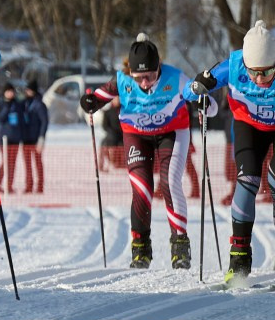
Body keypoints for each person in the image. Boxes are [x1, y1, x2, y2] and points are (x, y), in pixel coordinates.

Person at [188, 21, 275, 288]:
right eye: (254, 73)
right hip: (250, 125)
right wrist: (197, 89)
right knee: (247, 179)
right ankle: (239, 258)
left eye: (268, 71)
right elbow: (189, 91)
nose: (260, 80)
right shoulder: (233, 65)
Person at [79, 34, 193, 270]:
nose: (144, 83)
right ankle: (141, 250)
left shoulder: (175, 77)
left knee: (170, 182)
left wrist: (205, 103)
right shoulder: (122, 80)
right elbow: (99, 97)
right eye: (139, 77)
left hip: (169, 133)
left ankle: (180, 247)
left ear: (158, 68)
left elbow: (198, 93)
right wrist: (89, 102)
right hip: (136, 134)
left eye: (150, 77)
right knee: (141, 188)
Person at [0, 85, 28, 192]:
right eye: (8, 91)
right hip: (5, 139)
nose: (10, 93)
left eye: (12, 91)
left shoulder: (18, 104)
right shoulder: (1, 103)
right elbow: (0, 119)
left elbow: (22, 120)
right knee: (5, 162)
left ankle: (9, 185)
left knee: (13, 163)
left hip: (16, 138)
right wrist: (7, 107)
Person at [24, 79, 49, 192]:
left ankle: (40, 186)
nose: (27, 92)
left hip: (36, 138)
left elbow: (44, 121)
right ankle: (29, 185)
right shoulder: (25, 103)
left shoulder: (40, 105)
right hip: (25, 138)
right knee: (27, 164)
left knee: (38, 163)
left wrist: (41, 137)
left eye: (29, 90)